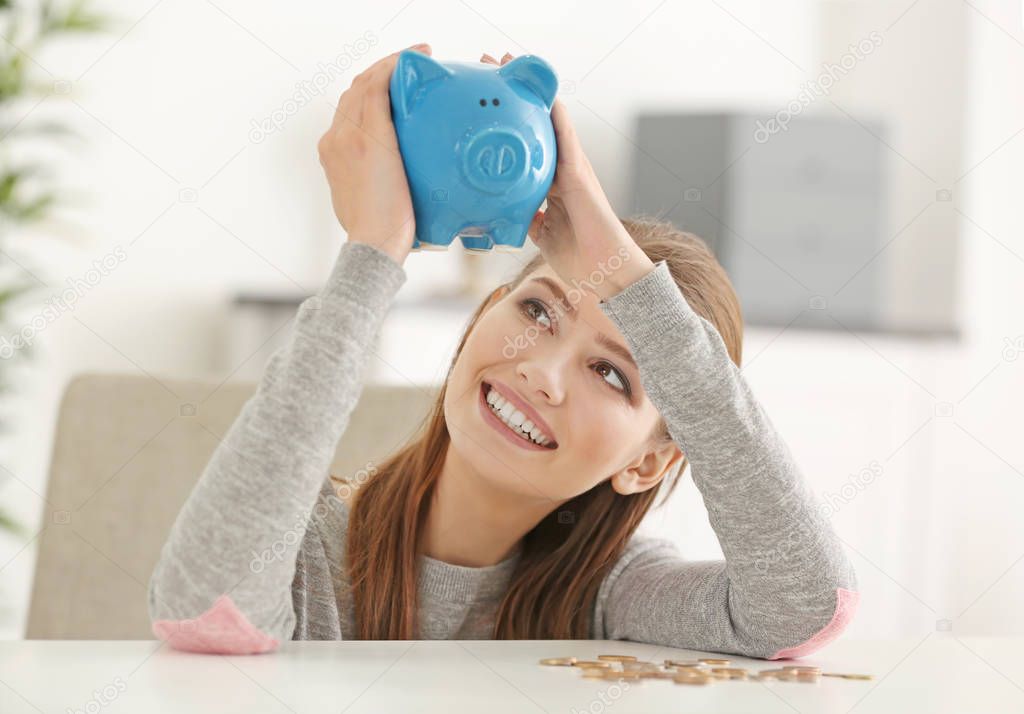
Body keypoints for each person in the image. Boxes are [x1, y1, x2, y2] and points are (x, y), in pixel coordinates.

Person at [147, 43, 859, 657]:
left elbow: (803, 606)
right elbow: (206, 611)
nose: (540, 371)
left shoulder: (609, 598)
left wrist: (626, 276)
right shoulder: (304, 553)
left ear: (648, 462)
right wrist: (371, 258)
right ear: (483, 317)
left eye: (611, 373)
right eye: (537, 311)